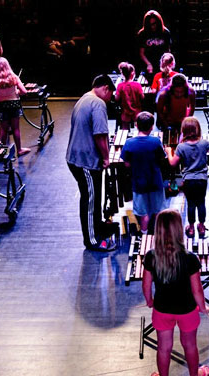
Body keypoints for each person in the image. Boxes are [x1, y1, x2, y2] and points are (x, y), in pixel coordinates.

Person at [142, 208, 209, 376]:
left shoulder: (151, 256)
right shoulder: (190, 258)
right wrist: (202, 307)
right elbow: (197, 290)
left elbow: (146, 284)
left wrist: (150, 300)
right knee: (190, 345)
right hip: (187, 310)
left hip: (162, 309)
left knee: (164, 348)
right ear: (179, 229)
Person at [66, 74, 116, 252]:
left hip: (77, 157)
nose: (110, 100)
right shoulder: (98, 103)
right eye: (111, 95)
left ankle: (97, 226)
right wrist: (105, 157)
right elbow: (100, 134)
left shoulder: (83, 99)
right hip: (85, 161)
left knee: (94, 196)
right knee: (89, 200)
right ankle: (92, 240)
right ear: (105, 89)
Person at [165, 116, 209, 239]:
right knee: (201, 203)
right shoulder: (204, 143)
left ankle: (191, 228)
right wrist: (206, 149)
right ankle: (201, 226)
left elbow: (172, 163)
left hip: (189, 180)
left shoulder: (181, 147)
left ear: (184, 130)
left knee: (191, 204)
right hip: (202, 180)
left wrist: (169, 152)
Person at [120, 111, 166, 234]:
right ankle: (157, 234)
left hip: (138, 183)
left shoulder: (129, 143)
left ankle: (144, 234)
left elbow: (126, 163)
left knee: (143, 214)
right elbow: (162, 160)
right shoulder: (156, 142)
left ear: (136, 125)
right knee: (157, 211)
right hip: (156, 183)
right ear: (152, 127)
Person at [0, 57, 30, 156]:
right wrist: (16, 92)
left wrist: (0, 95)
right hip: (14, 105)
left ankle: (2, 151)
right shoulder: (14, 77)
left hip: (2, 106)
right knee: (16, 128)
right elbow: (24, 92)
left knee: (3, 130)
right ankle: (19, 150)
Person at [137, 10, 172, 82]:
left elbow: (167, 51)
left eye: (154, 24)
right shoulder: (142, 34)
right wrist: (148, 64)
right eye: (150, 24)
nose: (153, 26)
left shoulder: (165, 32)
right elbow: (141, 53)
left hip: (162, 63)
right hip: (148, 64)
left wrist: (165, 63)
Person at [115, 62, 144, 130]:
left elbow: (117, 98)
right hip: (137, 112)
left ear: (122, 73)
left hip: (125, 111)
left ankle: (124, 138)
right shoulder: (137, 85)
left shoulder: (120, 85)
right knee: (138, 127)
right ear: (132, 73)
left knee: (125, 128)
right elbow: (142, 97)